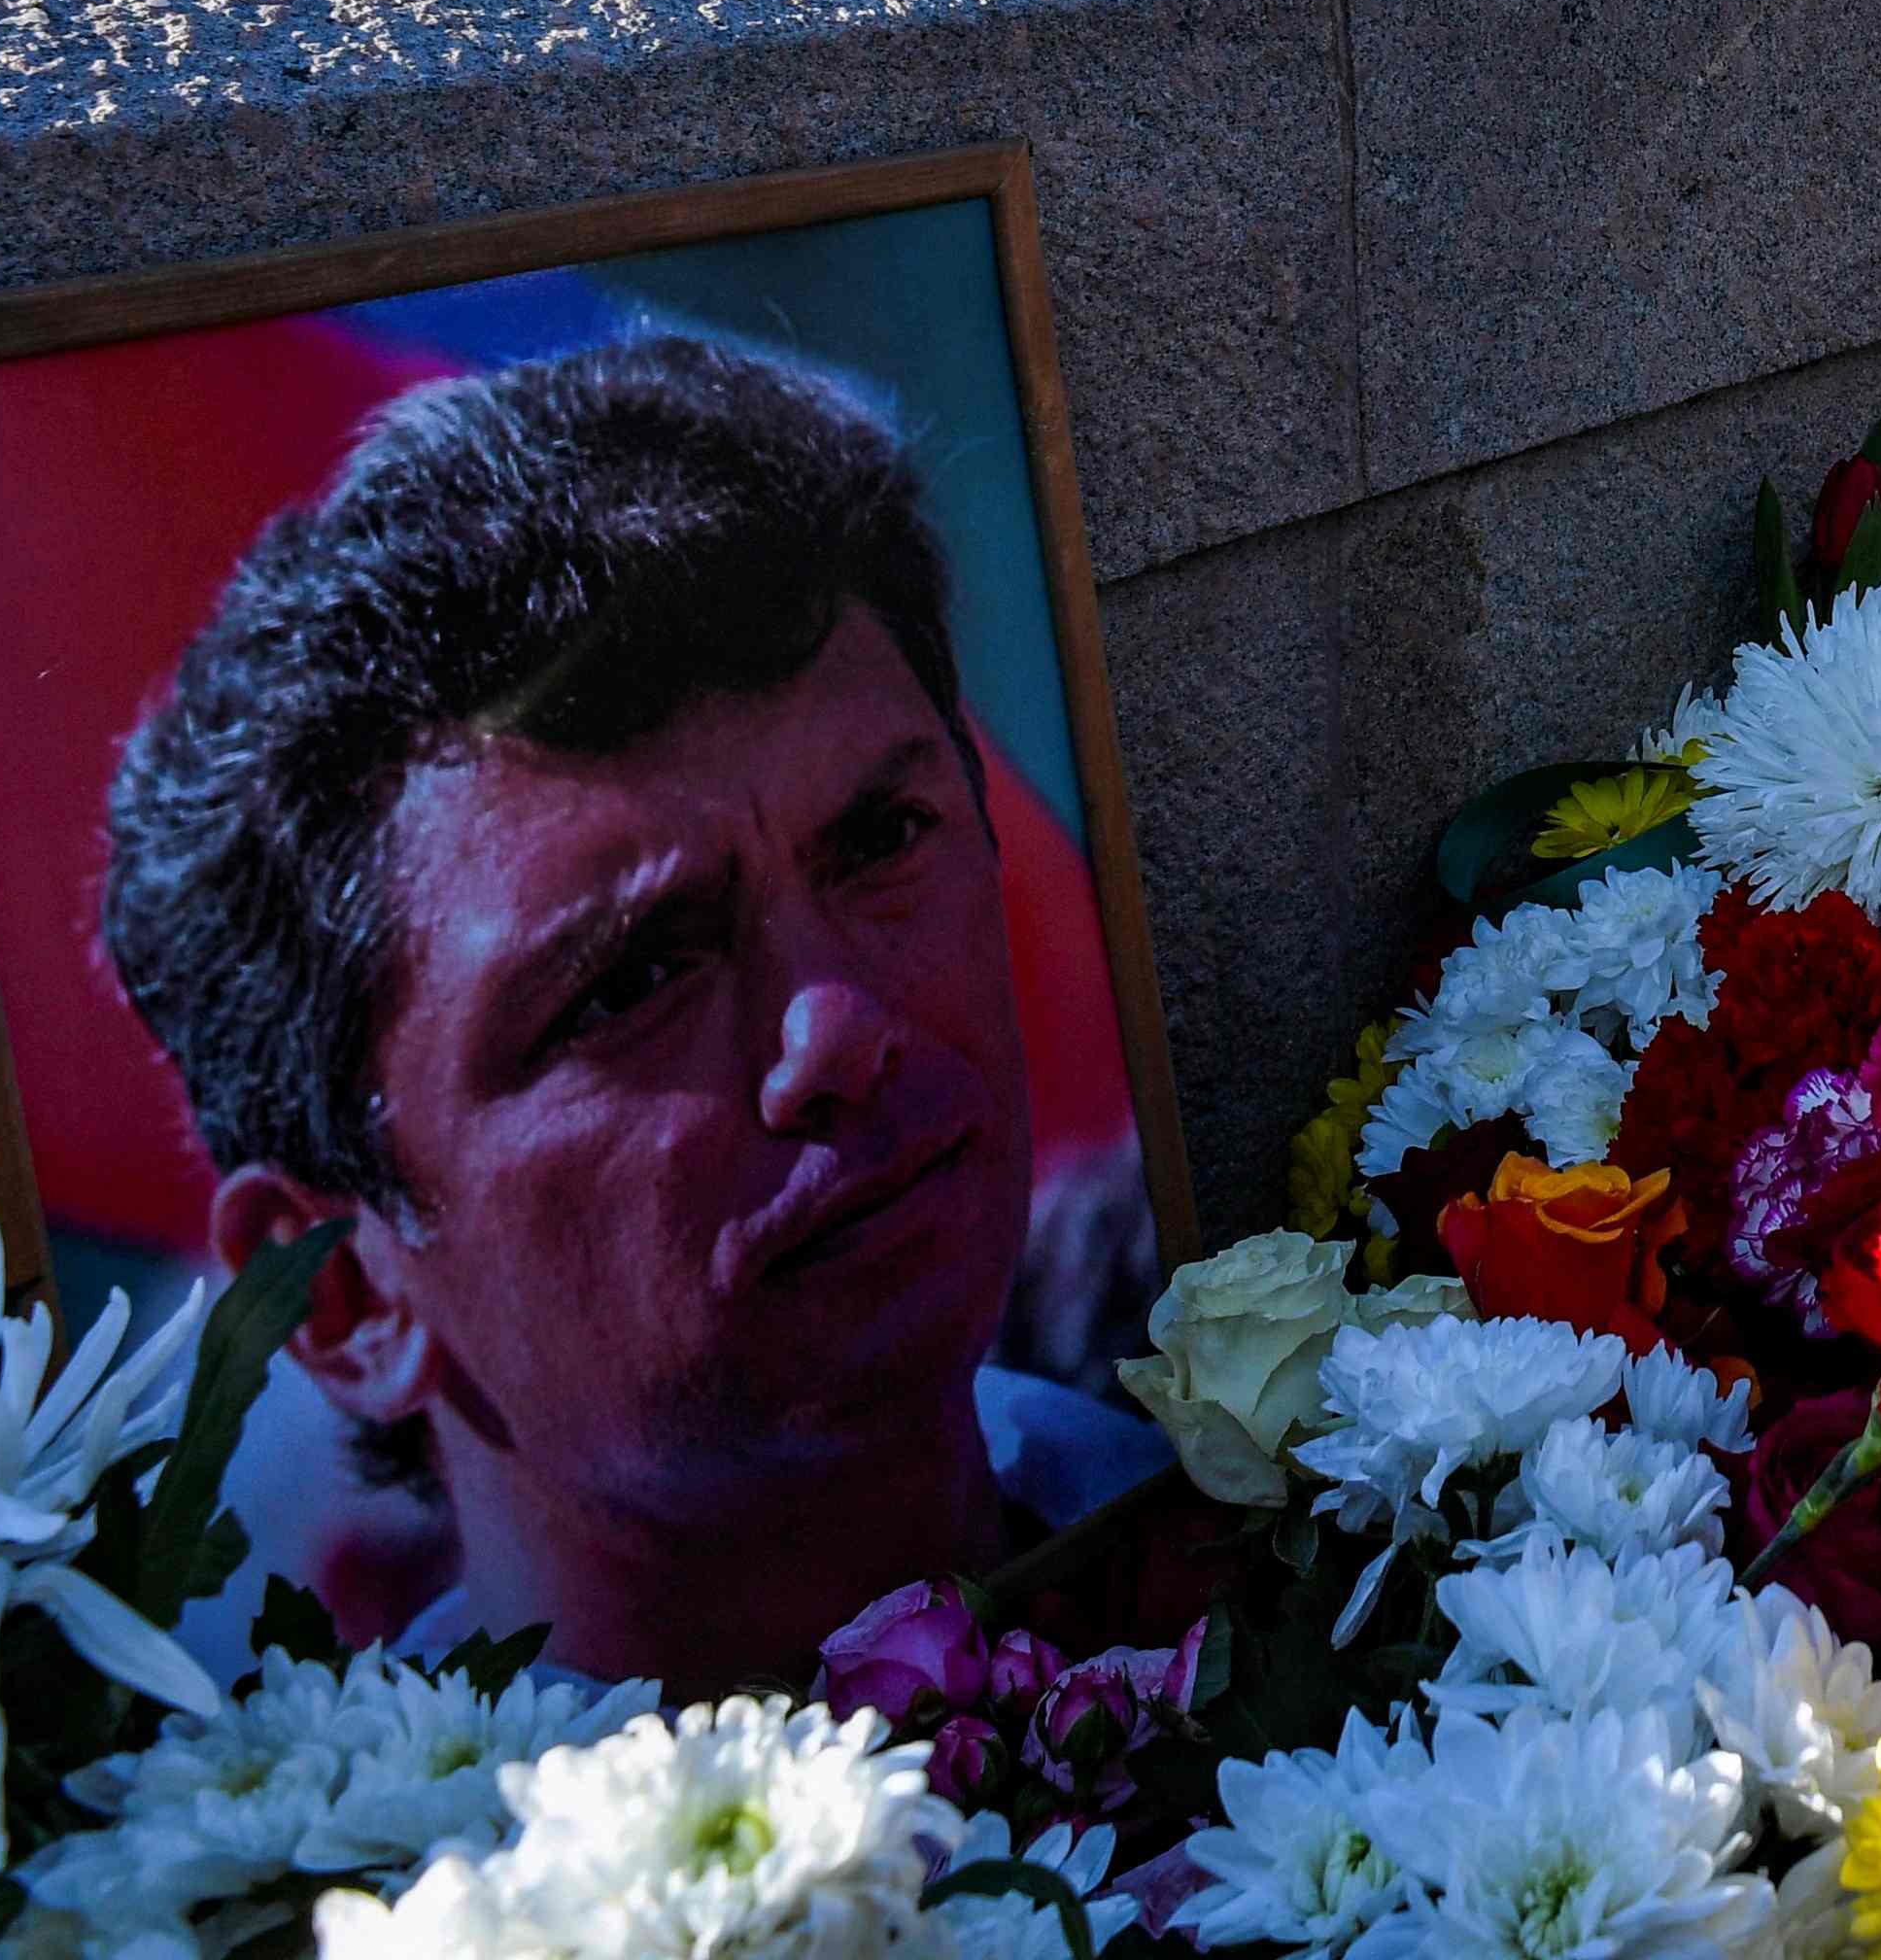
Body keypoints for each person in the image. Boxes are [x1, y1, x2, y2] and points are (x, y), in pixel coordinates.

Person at [102, 336, 1156, 1691]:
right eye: (634, 978)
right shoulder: (366, 1902)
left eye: (884, 837)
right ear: (341, 1293)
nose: (836, 1025)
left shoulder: (1338, 1534)